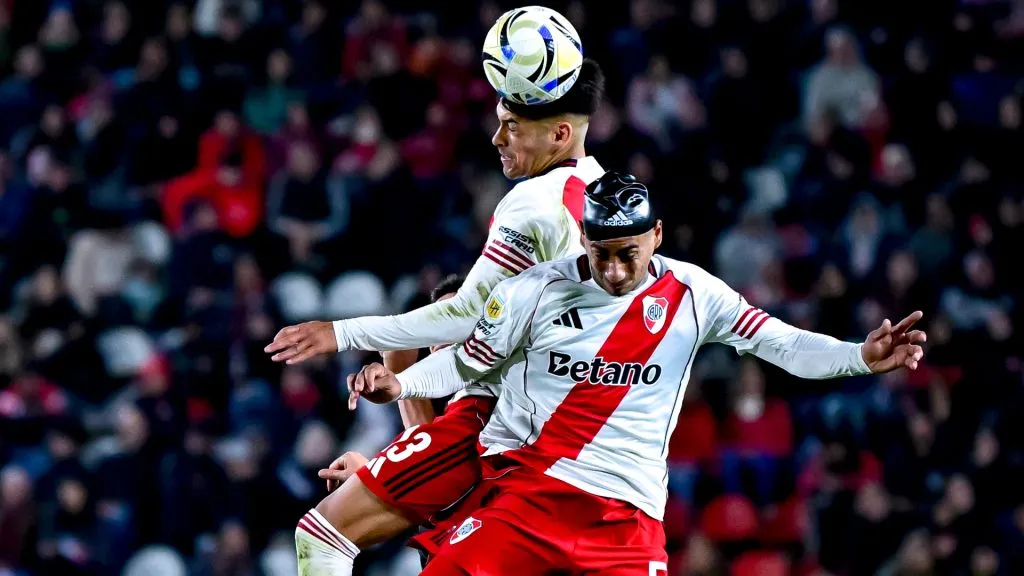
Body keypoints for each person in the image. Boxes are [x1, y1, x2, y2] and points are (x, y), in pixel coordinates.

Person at [344, 170, 928, 574]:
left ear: (658, 235)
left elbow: (784, 344)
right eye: (602, 254)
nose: (617, 270)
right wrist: (404, 383)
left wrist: (858, 356)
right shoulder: (536, 290)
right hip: (528, 502)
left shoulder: (697, 294)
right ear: (584, 240)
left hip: (627, 522)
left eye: (630, 252)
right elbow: (467, 362)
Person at [288, 59, 607, 576]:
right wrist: (393, 458)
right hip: (575, 441)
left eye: (512, 126)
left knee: (321, 536)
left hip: (505, 419)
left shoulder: (532, 204)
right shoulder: (602, 192)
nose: (497, 137)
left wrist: (342, 331)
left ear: (559, 133)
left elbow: (460, 316)